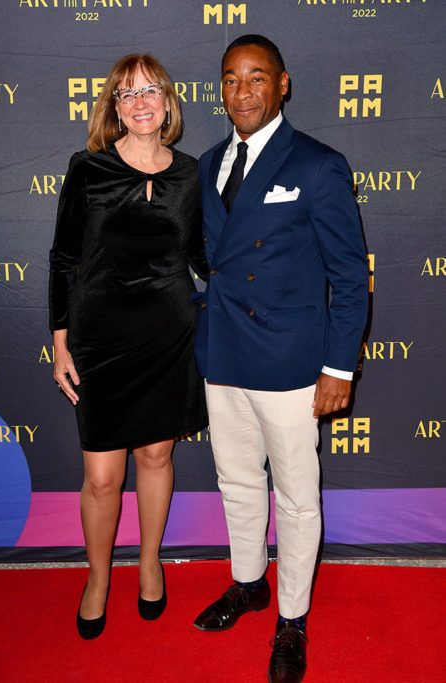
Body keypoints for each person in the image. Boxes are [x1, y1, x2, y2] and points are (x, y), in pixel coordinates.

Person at [192, 35, 368, 682]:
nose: (243, 91)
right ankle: (249, 582)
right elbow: (208, 259)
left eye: (257, 78)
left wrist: (338, 366)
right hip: (225, 354)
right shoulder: (209, 161)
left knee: (295, 498)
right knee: (237, 482)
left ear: (284, 84)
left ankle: (291, 617)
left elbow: (350, 277)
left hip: (292, 362)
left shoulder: (319, 165)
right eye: (231, 80)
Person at [49, 53, 208, 639]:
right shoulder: (88, 169)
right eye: (127, 93)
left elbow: (200, 257)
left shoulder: (191, 173)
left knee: (157, 457)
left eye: (151, 91)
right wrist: (61, 343)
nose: (140, 102)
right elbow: (64, 260)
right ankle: (97, 577)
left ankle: (148, 562)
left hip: (168, 334)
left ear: (169, 101)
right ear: (114, 108)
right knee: (102, 478)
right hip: (100, 339)